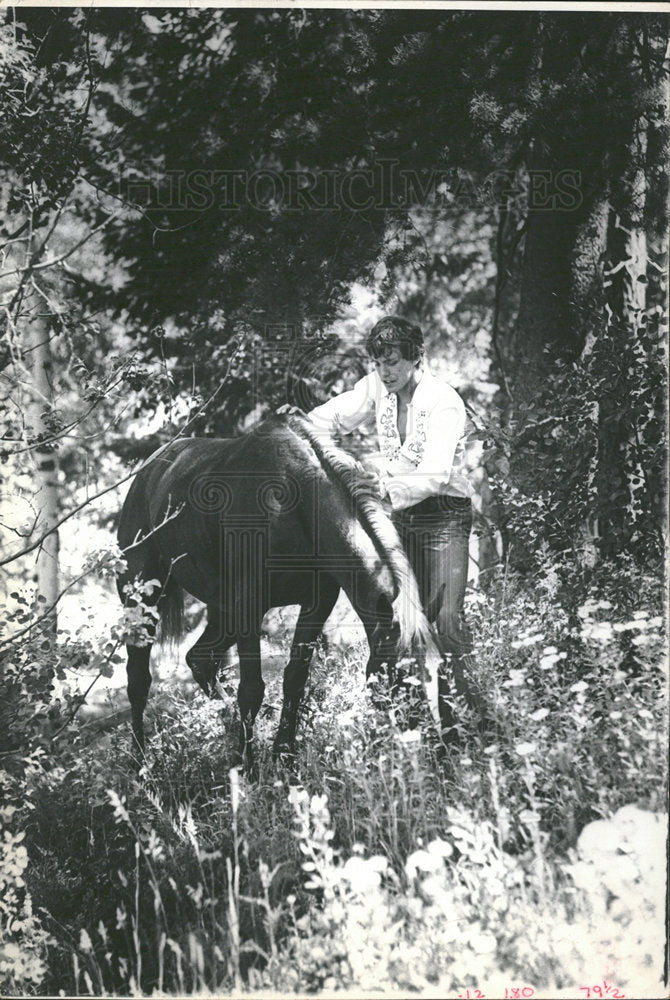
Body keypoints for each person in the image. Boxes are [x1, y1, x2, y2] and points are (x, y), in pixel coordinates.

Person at [306, 315, 476, 740]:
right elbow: (334, 416)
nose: (387, 372)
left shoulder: (444, 401)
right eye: (380, 363)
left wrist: (384, 487)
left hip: (444, 514)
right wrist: (299, 428)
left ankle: (473, 720)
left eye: (395, 362)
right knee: (398, 621)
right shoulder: (378, 387)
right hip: (399, 517)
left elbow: (436, 474)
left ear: (418, 357)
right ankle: (415, 728)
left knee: (446, 620)